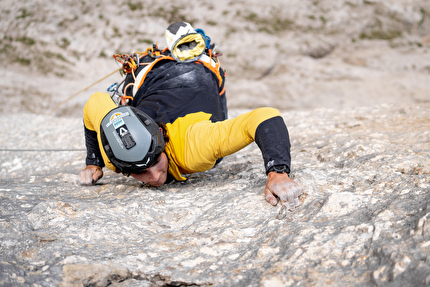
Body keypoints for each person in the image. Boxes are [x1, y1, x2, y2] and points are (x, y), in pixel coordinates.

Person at [76, 22, 302, 211]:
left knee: (208, 82)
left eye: (155, 161)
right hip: (154, 78)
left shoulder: (194, 147)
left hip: (196, 73)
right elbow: (94, 103)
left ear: (162, 139)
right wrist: (95, 162)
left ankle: (190, 58)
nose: (154, 176)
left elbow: (265, 116)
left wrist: (277, 172)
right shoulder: (115, 155)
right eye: (139, 172)